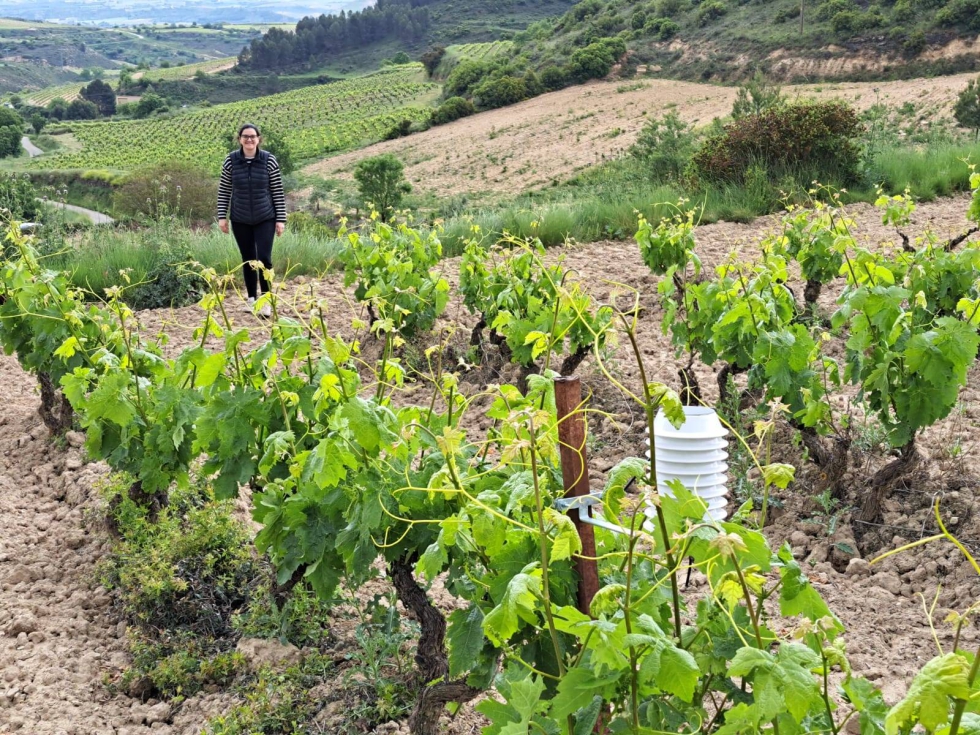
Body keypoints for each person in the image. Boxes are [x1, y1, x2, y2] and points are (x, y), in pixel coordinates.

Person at [216, 123, 286, 318]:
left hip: (265, 217)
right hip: (240, 218)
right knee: (248, 259)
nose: (249, 139)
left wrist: (281, 219)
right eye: (245, 136)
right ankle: (252, 299)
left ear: (258, 139)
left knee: (264, 259)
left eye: (252, 136)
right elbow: (224, 190)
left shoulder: (269, 160)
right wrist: (222, 217)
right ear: (239, 139)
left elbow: (277, 191)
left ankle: (266, 301)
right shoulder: (231, 161)